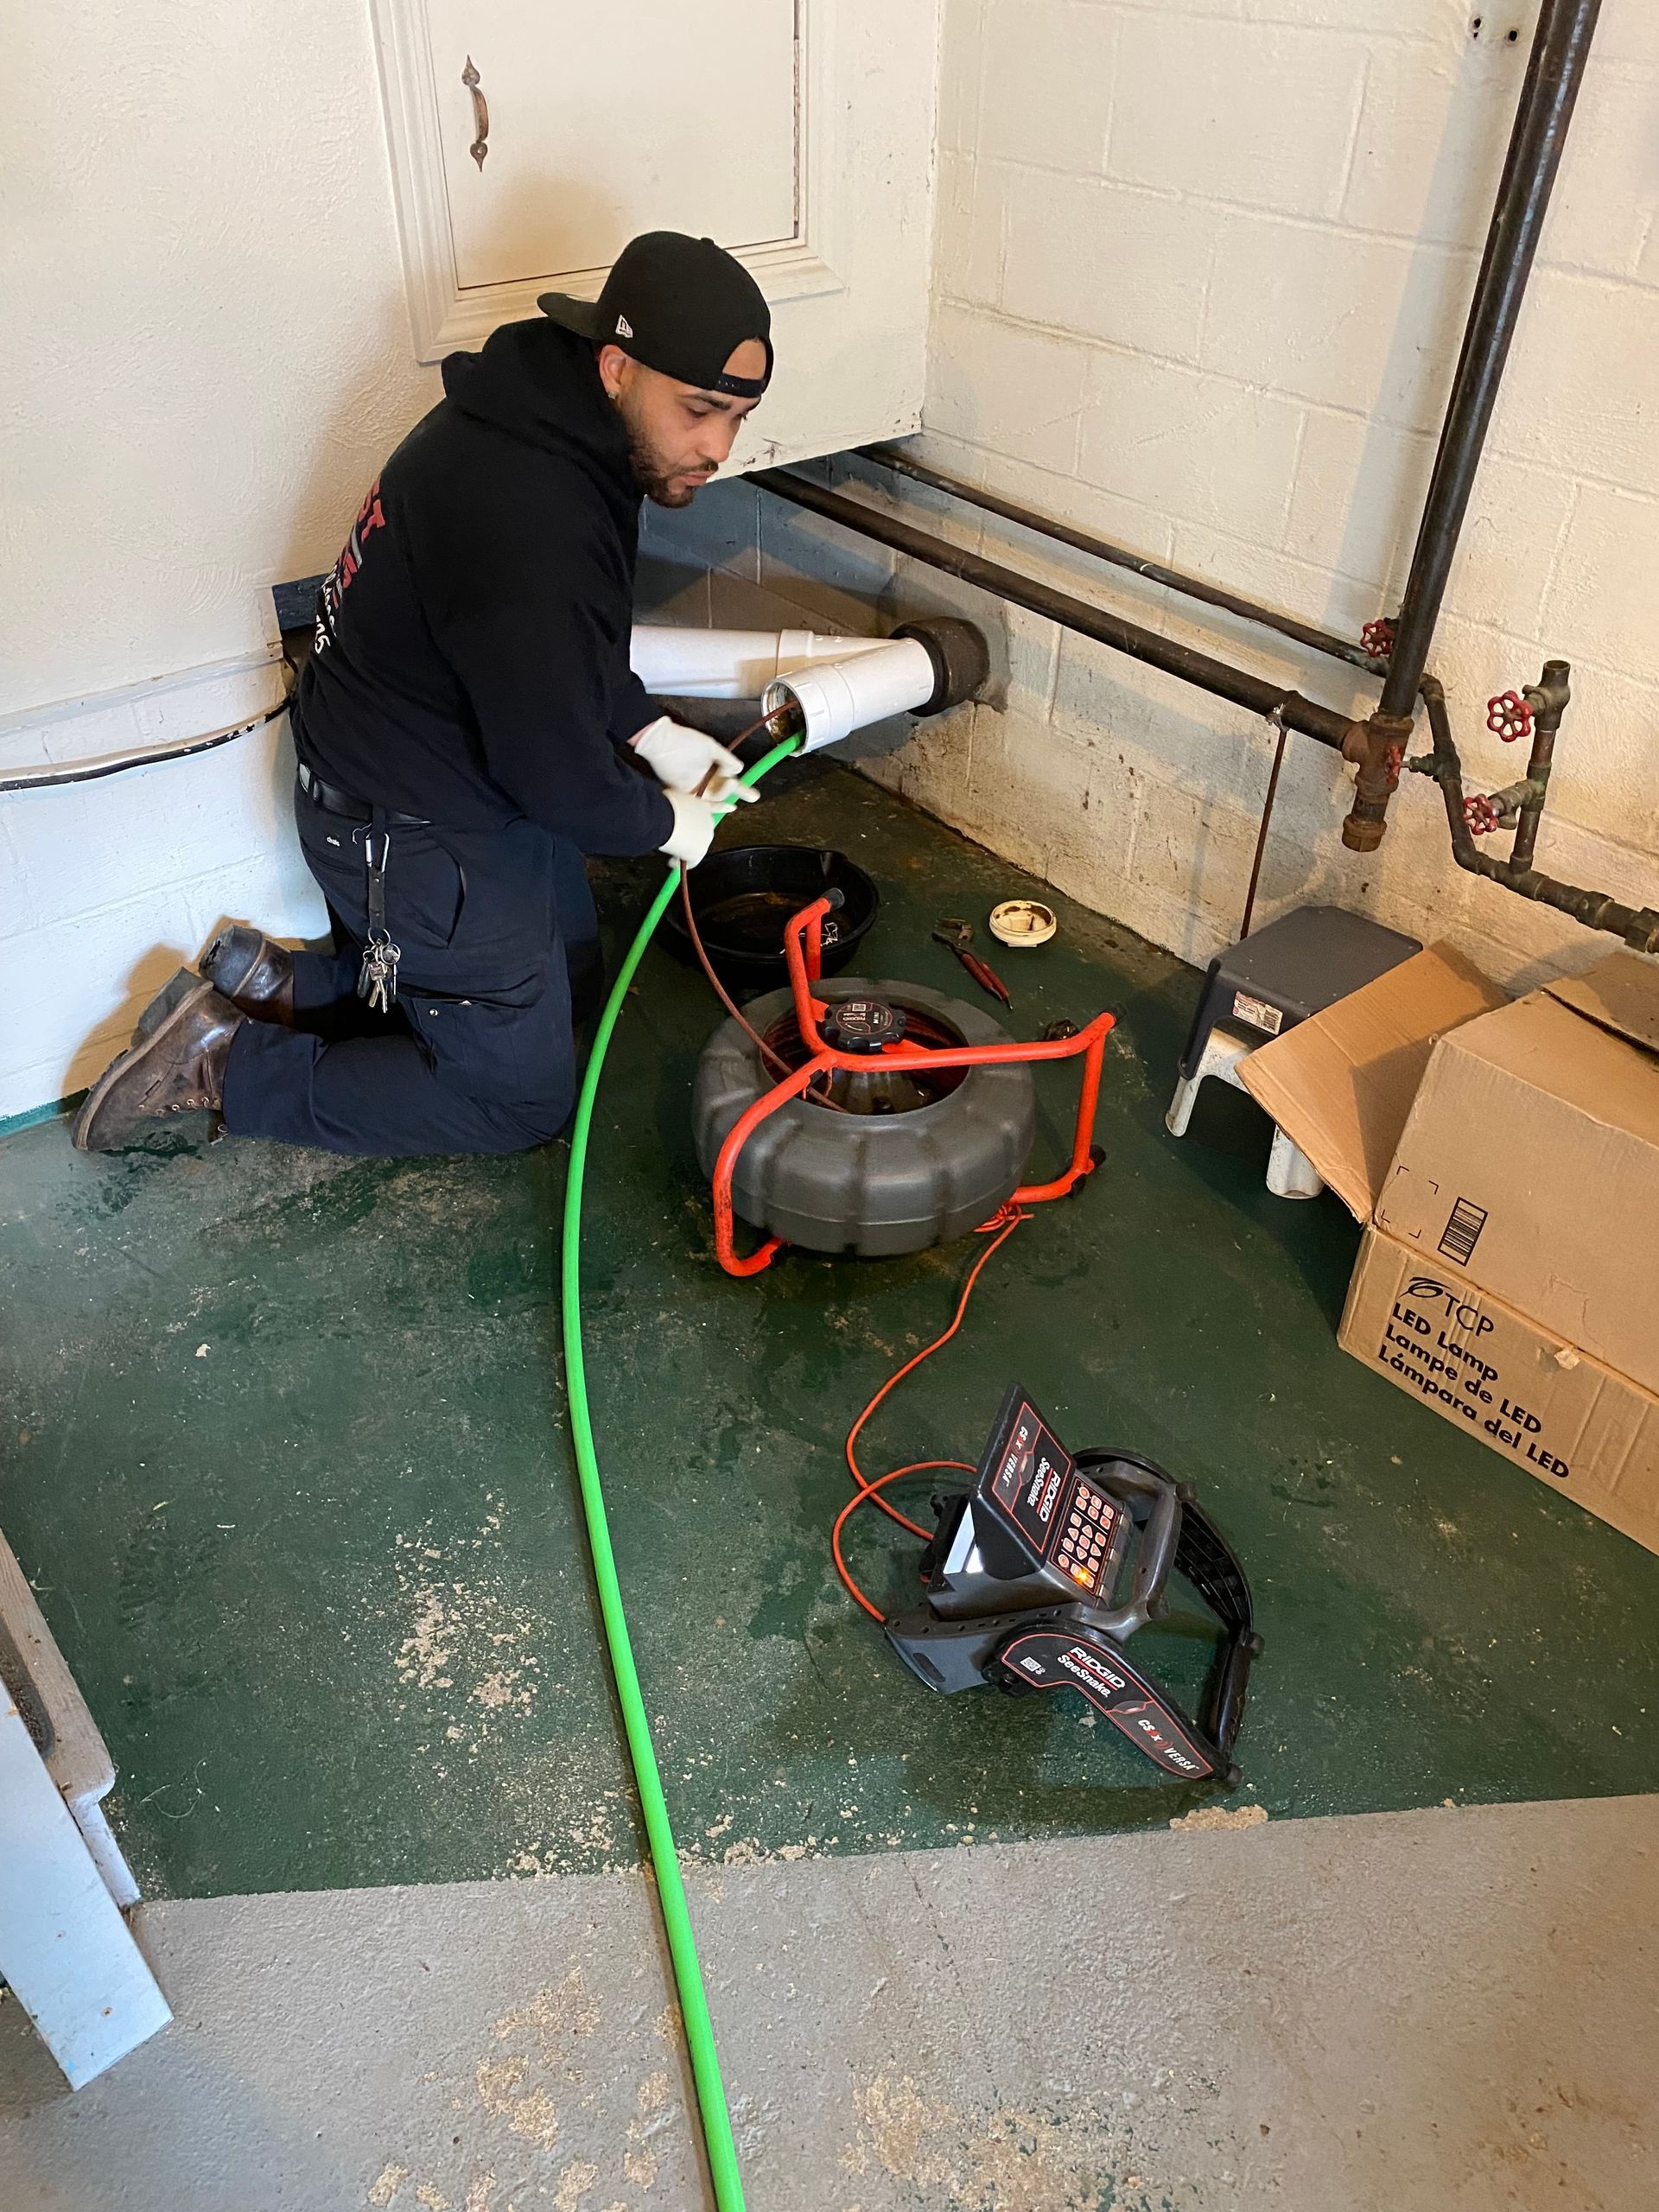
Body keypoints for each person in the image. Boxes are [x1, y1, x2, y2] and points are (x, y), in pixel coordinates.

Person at [74, 232, 772, 1157]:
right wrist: (661, 823)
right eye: (699, 410)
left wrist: (647, 732)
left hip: (419, 773)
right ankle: (220, 1062)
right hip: (406, 827)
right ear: (615, 364)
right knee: (519, 1101)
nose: (716, 447)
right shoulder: (534, 508)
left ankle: (274, 987)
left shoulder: (558, 421)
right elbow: (558, 780)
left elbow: (562, 646)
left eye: (737, 416)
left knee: (572, 970)